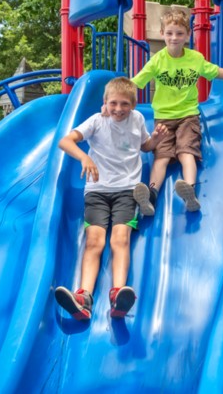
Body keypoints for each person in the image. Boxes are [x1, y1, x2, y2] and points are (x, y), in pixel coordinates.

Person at [131, 8, 223, 214]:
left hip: (188, 116)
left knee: (187, 152)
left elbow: (215, 71)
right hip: (163, 119)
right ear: (162, 33)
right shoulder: (157, 60)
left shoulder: (194, 58)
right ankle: (151, 195)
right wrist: (111, 99)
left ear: (187, 35)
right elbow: (135, 83)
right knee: (162, 158)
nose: (174, 38)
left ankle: (189, 191)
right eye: (169, 33)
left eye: (179, 33)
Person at [54, 77, 167, 321]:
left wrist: (155, 140)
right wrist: (84, 158)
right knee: (94, 241)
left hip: (128, 191)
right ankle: (83, 298)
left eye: (124, 104)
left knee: (120, 239)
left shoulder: (137, 120)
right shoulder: (97, 120)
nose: (118, 108)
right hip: (96, 190)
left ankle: (117, 295)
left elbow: (145, 147)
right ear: (104, 103)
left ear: (134, 105)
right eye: (113, 103)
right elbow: (65, 141)